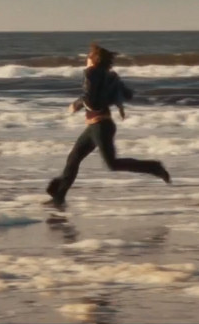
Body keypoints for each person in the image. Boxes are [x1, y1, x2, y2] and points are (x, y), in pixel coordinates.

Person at [46, 43, 170, 205]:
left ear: (94, 60)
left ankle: (154, 167)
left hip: (100, 127)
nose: (86, 59)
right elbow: (127, 94)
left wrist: (77, 104)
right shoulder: (108, 76)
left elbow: (91, 101)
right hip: (96, 126)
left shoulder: (91, 73)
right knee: (73, 158)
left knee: (112, 164)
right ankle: (59, 196)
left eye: (88, 56)